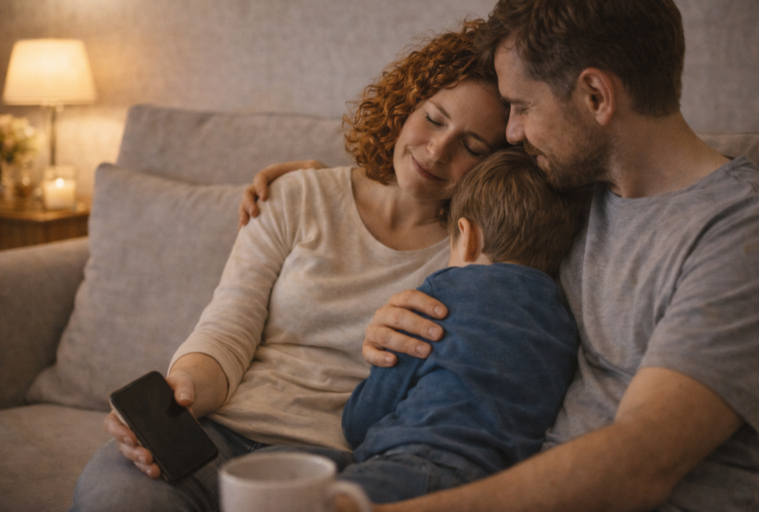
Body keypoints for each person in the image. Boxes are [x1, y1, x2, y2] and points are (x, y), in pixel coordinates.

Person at [241, 1, 759, 511]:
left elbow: (642, 462)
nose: (511, 131)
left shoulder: (736, 231)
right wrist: (317, 184)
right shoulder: (571, 191)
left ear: (596, 96)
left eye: (523, 107)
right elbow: (450, 188)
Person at [70, 19, 510, 512]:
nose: (437, 149)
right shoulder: (298, 194)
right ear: (406, 105)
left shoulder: (476, 255)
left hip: (343, 465)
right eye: (433, 118)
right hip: (216, 439)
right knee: (118, 494)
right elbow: (227, 328)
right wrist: (185, 391)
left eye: (472, 147)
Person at [331, 147, 586, 504]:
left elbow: (361, 422)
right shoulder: (564, 325)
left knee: (289, 483)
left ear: (467, 237)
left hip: (410, 463)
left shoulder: (442, 294)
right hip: (493, 489)